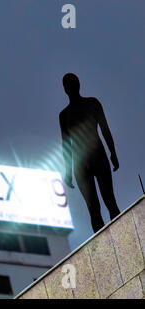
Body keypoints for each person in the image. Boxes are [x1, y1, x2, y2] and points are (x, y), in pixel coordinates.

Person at [59, 73, 121, 233]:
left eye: (73, 83)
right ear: (65, 89)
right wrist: (68, 171)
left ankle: (122, 235)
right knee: (93, 209)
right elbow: (66, 145)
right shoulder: (64, 115)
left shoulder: (92, 103)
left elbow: (105, 130)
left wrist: (113, 153)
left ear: (78, 85)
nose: (72, 86)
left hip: (98, 156)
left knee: (109, 201)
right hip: (82, 165)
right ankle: (103, 247)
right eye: (69, 84)